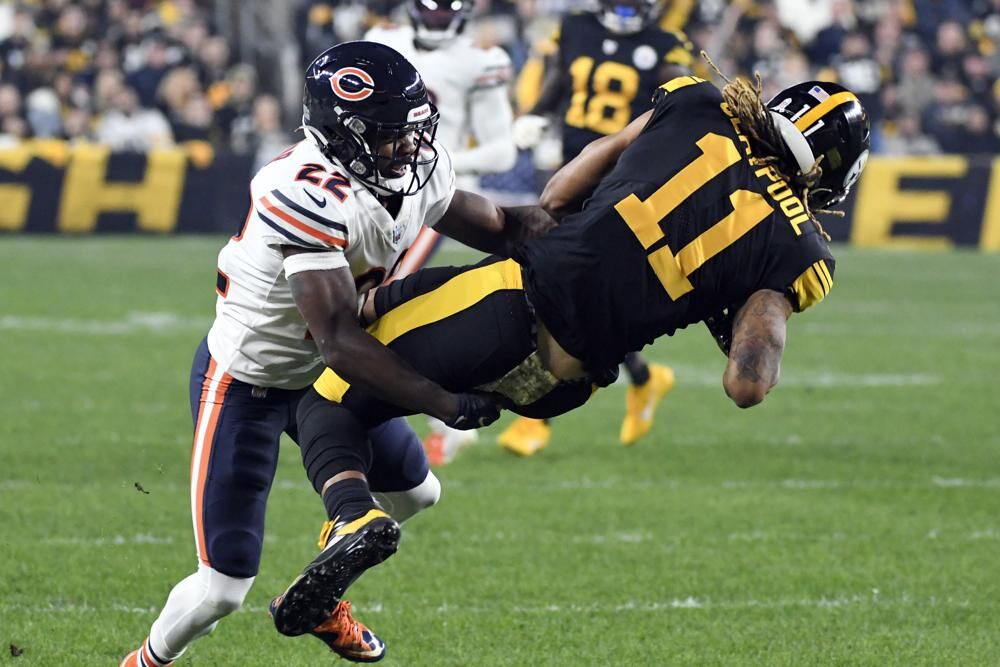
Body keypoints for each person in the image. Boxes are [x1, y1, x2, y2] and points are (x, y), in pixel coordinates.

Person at [269, 72, 871, 643]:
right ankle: (332, 591)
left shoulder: (699, 104)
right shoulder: (803, 252)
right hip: (565, 383)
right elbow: (747, 383)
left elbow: (558, 195)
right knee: (378, 366)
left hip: (513, 303)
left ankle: (352, 517)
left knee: (327, 399)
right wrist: (730, 302)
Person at [120, 41, 555, 667]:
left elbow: (502, 227)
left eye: (412, 131)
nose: (409, 148)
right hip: (251, 378)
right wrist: (442, 402)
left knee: (416, 495)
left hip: (324, 373)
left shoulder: (413, 171)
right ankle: (144, 661)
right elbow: (340, 338)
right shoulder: (299, 190)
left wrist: (586, 232)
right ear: (342, 134)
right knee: (222, 588)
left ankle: (320, 595)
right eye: (390, 135)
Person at [503, 0, 697, 456]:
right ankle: (645, 378)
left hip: (621, 177)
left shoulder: (667, 46)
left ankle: (539, 419)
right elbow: (560, 78)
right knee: (571, 290)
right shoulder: (575, 27)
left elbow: (682, 111)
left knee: (563, 288)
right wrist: (535, 113)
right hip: (571, 170)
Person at [365, 0, 519, 465]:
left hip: (423, 200)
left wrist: (435, 166)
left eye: (443, 12)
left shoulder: (480, 60)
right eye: (428, 11)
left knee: (376, 306)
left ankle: (438, 415)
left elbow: (501, 153)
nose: (435, 21)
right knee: (356, 303)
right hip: (367, 194)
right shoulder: (380, 44)